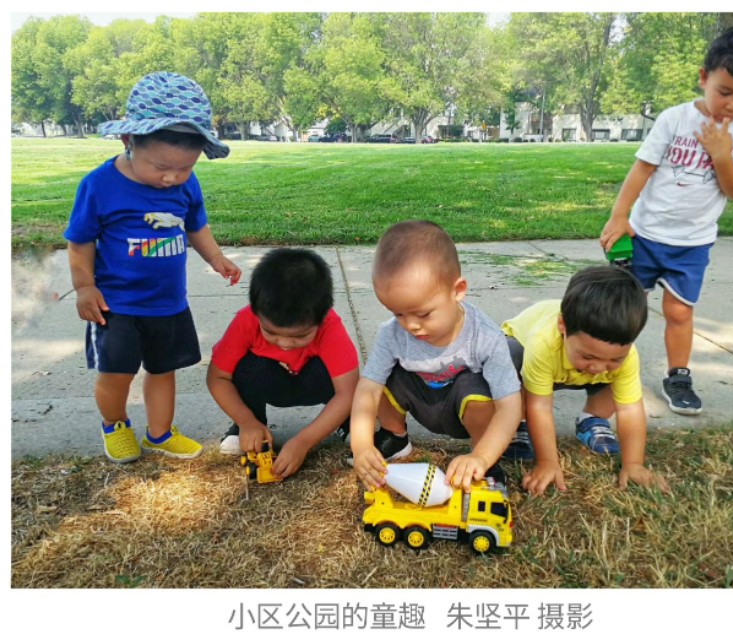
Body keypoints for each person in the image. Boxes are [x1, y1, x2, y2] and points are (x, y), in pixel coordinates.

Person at [600, 23, 733, 416]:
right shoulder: (674, 119)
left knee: (679, 311)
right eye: (725, 91)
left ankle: (678, 375)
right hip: (646, 234)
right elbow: (642, 170)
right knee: (624, 308)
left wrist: (722, 154)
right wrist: (619, 217)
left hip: (693, 243)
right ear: (704, 78)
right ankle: (609, 368)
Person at [65, 72, 241, 464]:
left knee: (164, 371)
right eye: (162, 167)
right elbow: (79, 243)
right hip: (116, 307)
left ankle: (160, 433)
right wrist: (83, 287)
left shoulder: (185, 185)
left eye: (185, 168)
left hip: (168, 304)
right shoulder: (99, 185)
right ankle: (115, 424)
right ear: (128, 142)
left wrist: (215, 258)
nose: (172, 178)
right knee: (116, 374)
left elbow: (195, 225)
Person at [350, 220, 522, 492]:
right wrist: (361, 447)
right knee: (378, 377)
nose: (410, 325)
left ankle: (486, 465)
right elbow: (367, 392)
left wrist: (482, 455)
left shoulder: (485, 336)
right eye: (398, 313)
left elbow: (510, 406)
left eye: (423, 313)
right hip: (422, 400)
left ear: (457, 291)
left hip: (465, 410)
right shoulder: (392, 334)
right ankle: (395, 438)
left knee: (474, 387)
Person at [503, 266, 669, 496]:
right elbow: (539, 405)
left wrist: (633, 464)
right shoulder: (543, 343)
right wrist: (547, 461)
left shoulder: (626, 357)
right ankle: (516, 423)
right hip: (523, 353)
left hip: (569, 366)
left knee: (616, 378)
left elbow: (630, 409)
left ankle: (591, 419)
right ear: (563, 326)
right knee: (509, 367)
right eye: (589, 356)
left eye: (614, 358)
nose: (599, 367)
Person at [207, 248, 359, 479]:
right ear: (257, 313)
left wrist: (303, 442)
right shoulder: (246, 321)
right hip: (269, 382)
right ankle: (252, 425)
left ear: (322, 317)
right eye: (271, 332)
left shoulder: (330, 327)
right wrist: (245, 420)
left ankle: (347, 422)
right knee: (245, 367)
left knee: (336, 375)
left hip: (314, 383)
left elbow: (348, 392)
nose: (285, 344)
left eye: (300, 336)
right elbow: (217, 378)